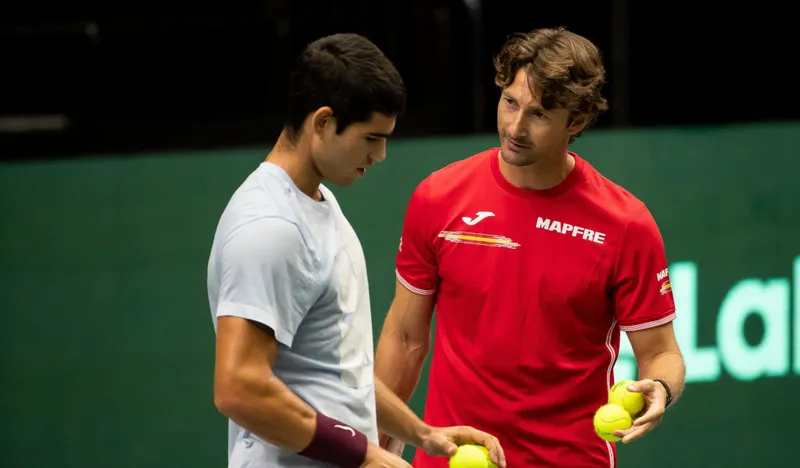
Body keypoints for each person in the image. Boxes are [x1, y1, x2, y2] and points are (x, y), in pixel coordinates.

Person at [375, 27, 686, 467]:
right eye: (510, 102)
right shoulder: (438, 197)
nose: (515, 127)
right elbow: (406, 338)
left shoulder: (626, 225)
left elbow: (661, 353)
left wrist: (662, 386)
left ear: (575, 120)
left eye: (539, 114)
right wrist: (375, 438)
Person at [207, 33, 506, 468]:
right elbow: (238, 387)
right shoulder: (269, 226)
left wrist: (423, 434)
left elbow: (337, 372)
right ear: (323, 122)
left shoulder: (318, 202)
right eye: (371, 138)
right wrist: (364, 455)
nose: (381, 154)